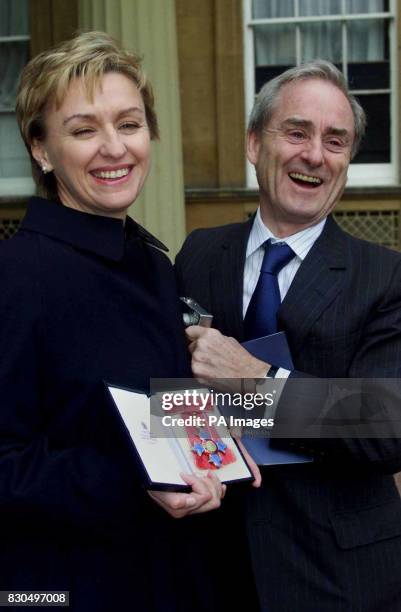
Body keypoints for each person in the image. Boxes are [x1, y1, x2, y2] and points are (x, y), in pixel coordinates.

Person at [0, 31, 226, 612]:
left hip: (174, 573)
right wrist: (135, 480)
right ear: (42, 150)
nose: (114, 148)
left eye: (128, 124)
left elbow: (155, 410)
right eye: (83, 130)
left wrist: (216, 437)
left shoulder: (153, 263)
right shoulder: (16, 276)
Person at [175, 60, 401, 612]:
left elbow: (385, 423)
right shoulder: (199, 253)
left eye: (335, 140)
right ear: (254, 143)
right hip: (212, 563)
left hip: (339, 576)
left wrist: (254, 379)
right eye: (297, 132)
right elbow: (178, 397)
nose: (315, 155)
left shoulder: (385, 275)